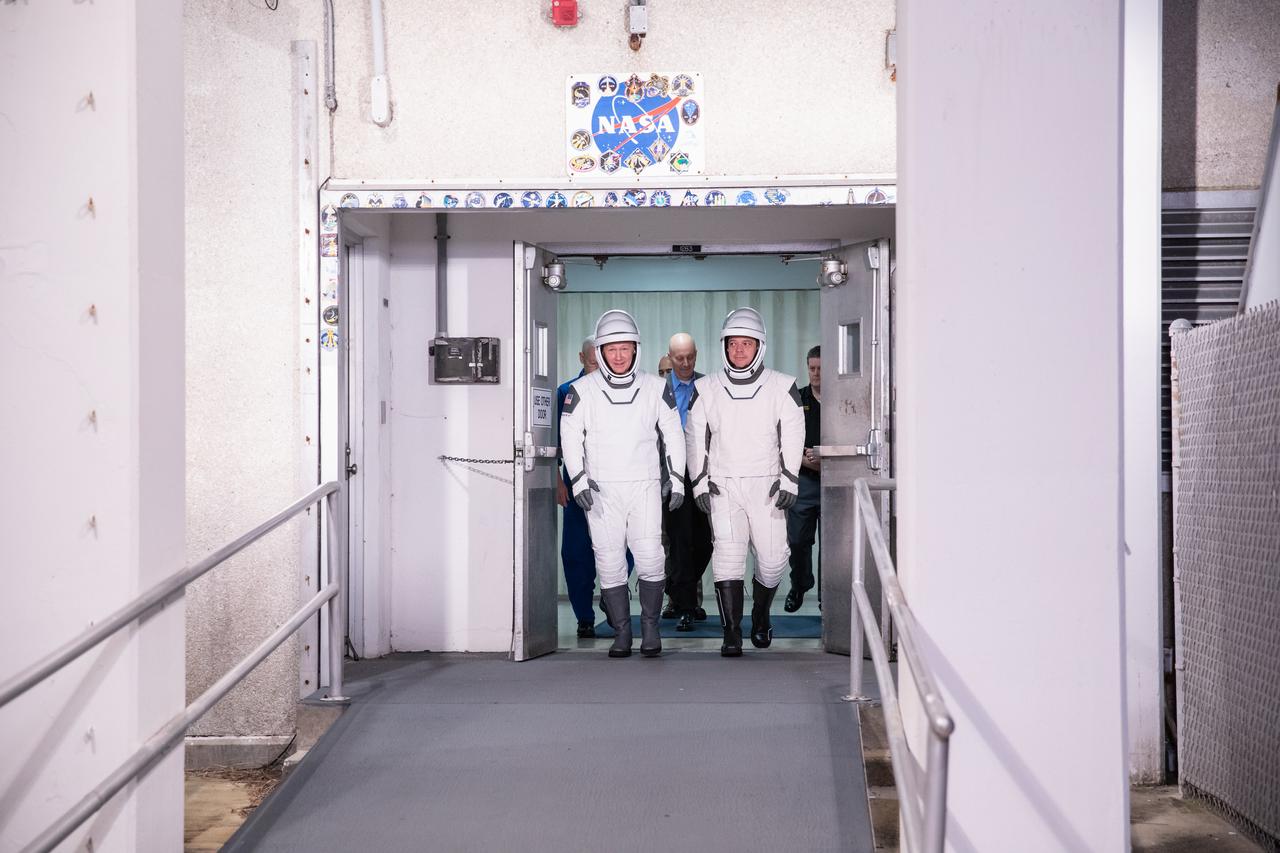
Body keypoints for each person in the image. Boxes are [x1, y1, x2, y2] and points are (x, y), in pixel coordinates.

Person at [561, 310, 686, 658]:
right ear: (600, 351)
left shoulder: (655, 388)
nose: (619, 356)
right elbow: (570, 436)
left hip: (644, 486)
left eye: (625, 348)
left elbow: (674, 434)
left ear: (636, 350)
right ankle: (621, 633)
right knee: (609, 561)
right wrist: (577, 480)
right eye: (611, 349)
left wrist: (676, 479)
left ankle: (650, 630)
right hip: (601, 491)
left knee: (650, 558)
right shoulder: (581, 390)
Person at [685, 307, 805, 656]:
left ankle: (761, 611)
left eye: (746, 343)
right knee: (728, 556)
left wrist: (789, 479)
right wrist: (699, 482)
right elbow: (695, 437)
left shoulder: (783, 386)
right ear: (724, 346)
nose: (739, 350)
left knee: (773, 560)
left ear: (760, 347)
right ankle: (732, 633)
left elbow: (794, 433)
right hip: (723, 484)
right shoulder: (705, 388)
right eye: (733, 343)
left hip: (768, 484)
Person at [661, 333, 713, 632]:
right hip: (672, 476)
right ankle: (685, 607)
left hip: (705, 473)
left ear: (697, 354)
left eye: (690, 357)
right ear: (669, 356)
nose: (684, 363)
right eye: (678, 358)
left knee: (707, 541)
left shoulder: (709, 387)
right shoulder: (659, 389)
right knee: (680, 542)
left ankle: (678, 588)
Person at [556, 338, 601, 638]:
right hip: (574, 483)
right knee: (575, 554)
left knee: (623, 549)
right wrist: (557, 482)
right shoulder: (566, 391)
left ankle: (613, 601)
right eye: (592, 358)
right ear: (581, 356)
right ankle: (584, 615)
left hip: (614, 480)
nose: (597, 363)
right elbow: (554, 443)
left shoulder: (624, 390)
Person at [785, 345, 822, 612]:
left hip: (835, 482)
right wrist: (802, 459)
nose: (816, 374)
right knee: (797, 541)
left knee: (834, 545)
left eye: (821, 369)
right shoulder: (798, 398)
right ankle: (800, 584)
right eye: (812, 369)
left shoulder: (842, 401)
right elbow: (784, 439)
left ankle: (827, 599)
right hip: (805, 479)